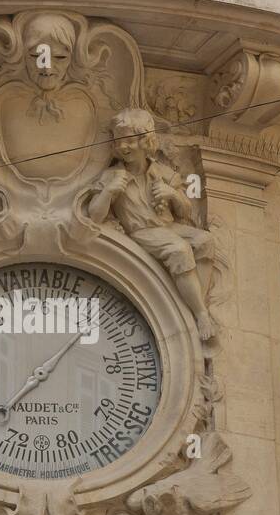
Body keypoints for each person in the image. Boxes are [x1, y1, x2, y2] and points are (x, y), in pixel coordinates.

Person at [81, 108, 216, 341]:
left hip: (166, 227)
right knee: (179, 250)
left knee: (205, 241)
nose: (124, 147)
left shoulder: (163, 173)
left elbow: (185, 211)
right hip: (140, 232)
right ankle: (200, 313)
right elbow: (94, 216)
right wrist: (109, 193)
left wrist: (173, 194)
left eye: (130, 141)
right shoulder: (113, 176)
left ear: (146, 141)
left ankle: (191, 302)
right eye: (119, 142)